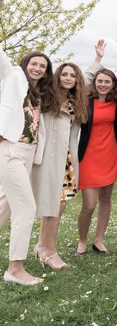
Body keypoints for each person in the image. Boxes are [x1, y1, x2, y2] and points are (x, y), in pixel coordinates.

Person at [0, 48, 53, 285]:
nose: (38, 69)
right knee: (26, 208)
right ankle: (15, 269)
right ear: (25, 64)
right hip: (11, 149)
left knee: (6, 205)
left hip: (28, 153)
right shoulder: (13, 77)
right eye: (34, 64)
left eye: (42, 66)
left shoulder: (39, 93)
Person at [31, 61, 90, 268]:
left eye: (72, 76)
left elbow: (89, 76)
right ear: (57, 76)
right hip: (48, 159)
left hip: (66, 161)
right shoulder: (47, 98)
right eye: (64, 74)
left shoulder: (75, 103)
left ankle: (42, 245)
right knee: (53, 204)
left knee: (57, 204)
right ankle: (50, 252)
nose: (67, 78)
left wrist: (97, 58)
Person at [76, 41, 117, 255]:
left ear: (113, 84)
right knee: (89, 204)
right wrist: (97, 59)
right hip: (88, 156)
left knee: (106, 200)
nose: (103, 84)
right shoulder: (85, 100)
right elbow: (83, 80)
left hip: (109, 155)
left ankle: (99, 239)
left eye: (107, 81)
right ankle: (82, 240)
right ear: (95, 84)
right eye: (100, 81)